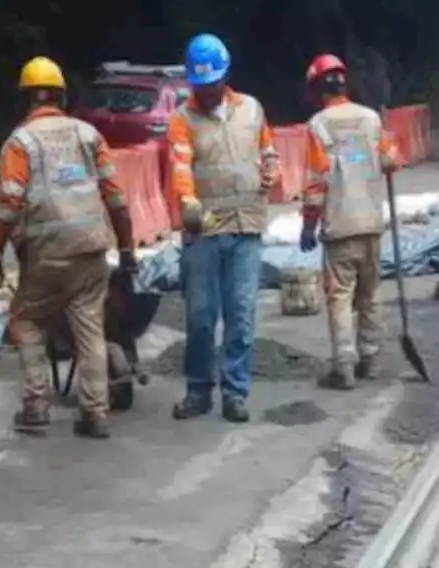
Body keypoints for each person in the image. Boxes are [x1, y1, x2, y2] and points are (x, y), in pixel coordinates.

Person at [0, 56, 137, 439]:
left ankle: (36, 406)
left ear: (26, 99)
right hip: (91, 252)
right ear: (62, 96)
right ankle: (95, 413)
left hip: (46, 255)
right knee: (90, 327)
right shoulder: (88, 135)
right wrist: (128, 248)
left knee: (28, 320)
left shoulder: (20, 142)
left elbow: (10, 202)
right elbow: (115, 197)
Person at [166, 33, 280, 423]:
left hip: (247, 227)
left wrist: (270, 169)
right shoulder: (182, 120)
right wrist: (188, 202)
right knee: (200, 316)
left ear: (225, 75)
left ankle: (235, 392)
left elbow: (268, 149)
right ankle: (199, 390)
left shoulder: (251, 109)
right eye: (201, 85)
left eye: (213, 82)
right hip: (205, 233)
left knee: (242, 314)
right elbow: (181, 167)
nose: (209, 91)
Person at [298, 53, 399, 390]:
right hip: (370, 221)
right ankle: (369, 358)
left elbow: (316, 180)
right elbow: (391, 161)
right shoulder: (371, 119)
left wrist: (308, 223)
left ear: (316, 88)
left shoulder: (319, 125)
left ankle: (344, 366)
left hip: (340, 224)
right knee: (370, 293)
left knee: (340, 296)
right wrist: (365, 155)